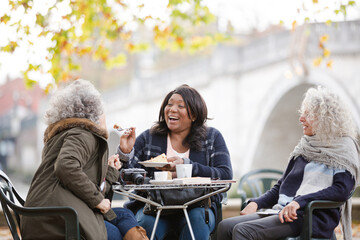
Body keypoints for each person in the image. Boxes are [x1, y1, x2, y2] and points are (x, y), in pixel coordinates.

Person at [217, 86, 360, 240]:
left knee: (243, 231)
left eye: (308, 114)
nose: (301, 118)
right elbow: (281, 186)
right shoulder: (305, 147)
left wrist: (300, 202)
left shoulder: (343, 149)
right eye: (302, 113)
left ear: (325, 117)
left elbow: (341, 190)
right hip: (284, 211)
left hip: (311, 216)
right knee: (225, 227)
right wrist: (257, 203)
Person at [20, 79, 148, 240]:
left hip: (49, 216)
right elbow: (66, 167)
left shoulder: (64, 135)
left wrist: (110, 172)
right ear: (94, 111)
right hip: (59, 220)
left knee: (123, 214)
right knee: (116, 232)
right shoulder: (82, 134)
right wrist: (97, 201)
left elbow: (84, 186)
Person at [117, 84, 233, 240]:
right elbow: (124, 178)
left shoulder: (212, 137)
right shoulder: (148, 138)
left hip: (197, 206)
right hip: (153, 208)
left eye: (180, 106)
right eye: (169, 104)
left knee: (197, 219)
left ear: (194, 115)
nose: (171, 109)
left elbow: (225, 176)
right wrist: (125, 153)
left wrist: (188, 167)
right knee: (146, 223)